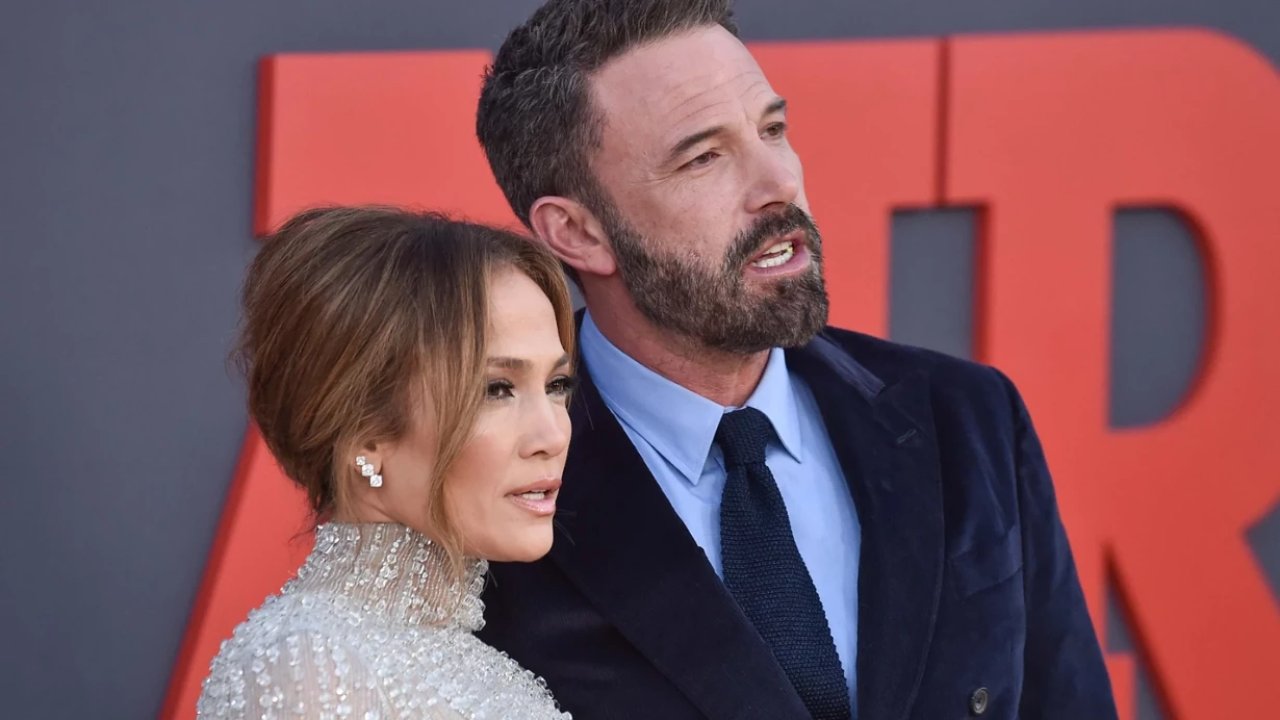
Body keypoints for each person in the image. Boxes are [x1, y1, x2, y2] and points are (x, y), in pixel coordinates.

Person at [473, 1, 1119, 718]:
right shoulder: (480, 484)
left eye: (772, 130)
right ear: (578, 233)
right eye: (703, 157)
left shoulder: (967, 417)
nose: (777, 183)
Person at [196, 207, 576, 719]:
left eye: (556, 385)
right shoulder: (309, 667)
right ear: (366, 432)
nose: (553, 435)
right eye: (496, 389)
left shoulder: (477, 665)